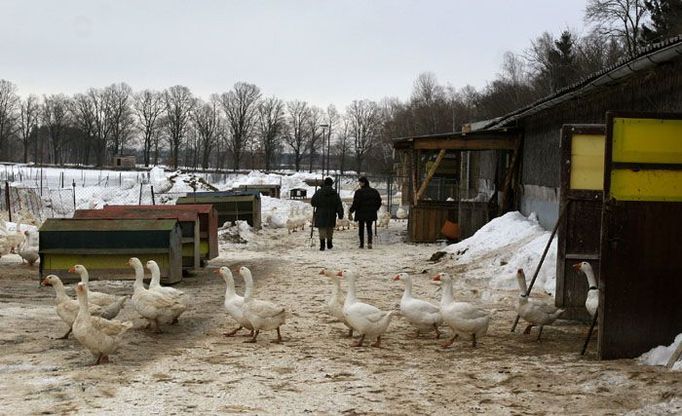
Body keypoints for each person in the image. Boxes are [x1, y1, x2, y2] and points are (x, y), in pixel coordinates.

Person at [310, 177, 344, 251]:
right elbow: (339, 204)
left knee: (322, 228)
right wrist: (340, 214)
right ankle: (329, 243)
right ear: (331, 184)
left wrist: (317, 203)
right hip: (331, 213)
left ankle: (322, 245)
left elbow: (313, 202)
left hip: (321, 213)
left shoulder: (319, 192)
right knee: (330, 228)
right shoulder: (334, 193)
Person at [349, 176, 382, 249]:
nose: (359, 184)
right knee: (369, 228)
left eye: (360, 182)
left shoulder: (358, 192)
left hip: (361, 213)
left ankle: (361, 244)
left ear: (363, 183)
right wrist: (375, 209)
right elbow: (379, 201)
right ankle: (369, 242)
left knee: (361, 228)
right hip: (371, 213)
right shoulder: (374, 191)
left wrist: (351, 210)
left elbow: (356, 203)